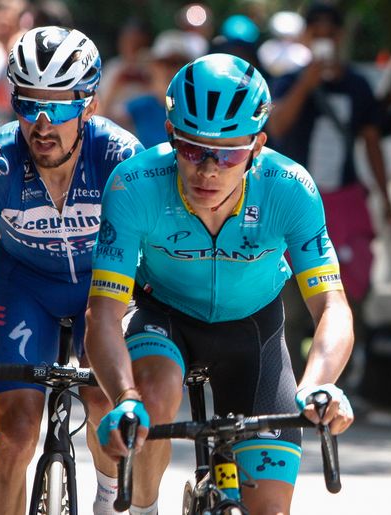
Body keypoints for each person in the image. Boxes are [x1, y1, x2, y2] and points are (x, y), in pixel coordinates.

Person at [84, 53, 355, 515]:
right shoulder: (134, 185)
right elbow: (104, 312)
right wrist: (125, 398)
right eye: (191, 149)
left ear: (257, 146)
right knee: (151, 400)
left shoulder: (289, 187)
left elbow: (331, 304)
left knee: (269, 509)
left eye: (228, 153)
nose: (208, 169)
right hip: (163, 317)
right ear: (171, 136)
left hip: (254, 331)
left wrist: (318, 386)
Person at [0, 26, 144, 515]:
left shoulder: (121, 159)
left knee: (104, 402)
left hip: (104, 291)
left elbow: (150, 266)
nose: (44, 124)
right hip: (25, 288)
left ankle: (110, 496)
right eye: (29, 104)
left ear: (90, 104)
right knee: (14, 432)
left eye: (62, 106)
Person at [266, 2, 391, 380]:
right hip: (293, 204)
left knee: (349, 289)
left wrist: (386, 198)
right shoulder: (290, 80)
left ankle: (340, 380)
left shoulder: (357, 85)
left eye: (330, 34)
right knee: (290, 300)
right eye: (316, 34)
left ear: (340, 37)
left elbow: (372, 142)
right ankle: (286, 384)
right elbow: (277, 126)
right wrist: (308, 82)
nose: (324, 40)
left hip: (343, 202)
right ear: (306, 37)